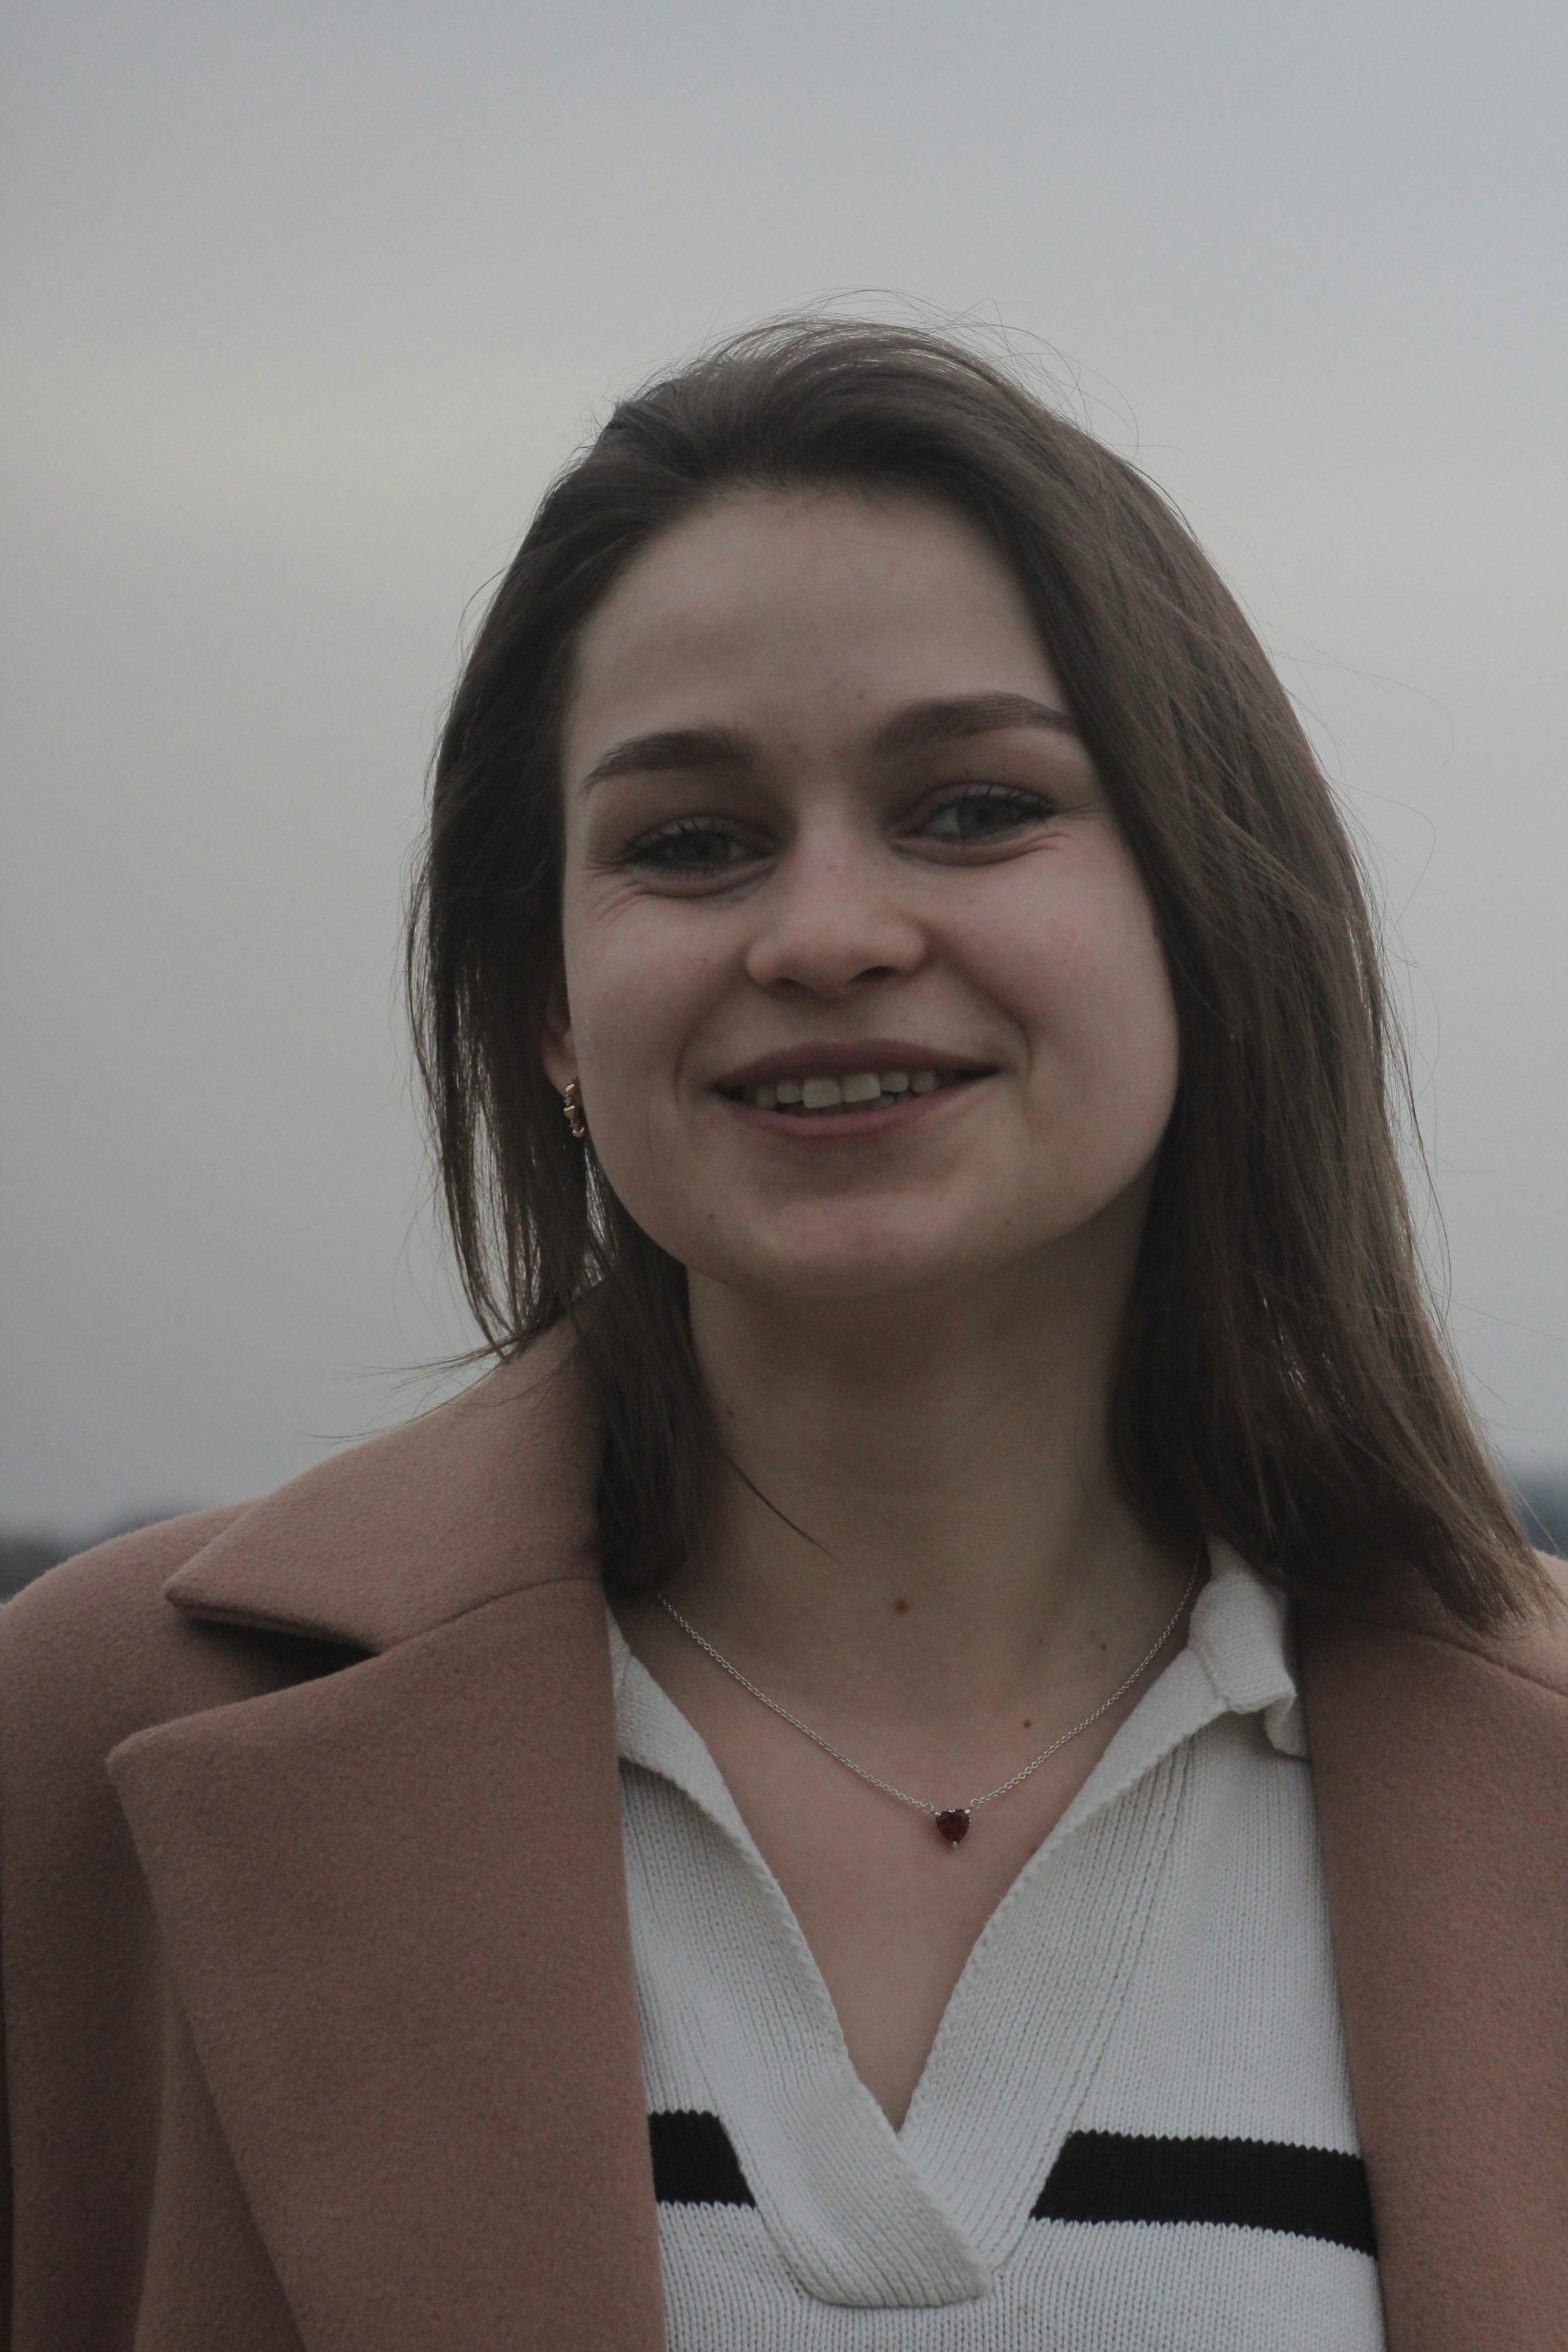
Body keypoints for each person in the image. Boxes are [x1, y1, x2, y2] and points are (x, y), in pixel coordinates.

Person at [2, 320, 1563, 2352]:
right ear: (552, 1008)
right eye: (689, 841)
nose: (824, 931)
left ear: (1208, 907)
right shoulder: (82, 1746)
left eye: (976, 805)